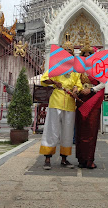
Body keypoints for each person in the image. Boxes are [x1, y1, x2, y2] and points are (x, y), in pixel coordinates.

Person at [39, 36, 83, 170]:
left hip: (70, 103)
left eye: (70, 54)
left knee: (68, 131)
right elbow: (44, 79)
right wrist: (54, 82)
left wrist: (76, 89)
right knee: (52, 130)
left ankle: (64, 158)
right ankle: (47, 158)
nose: (68, 56)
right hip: (56, 101)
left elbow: (78, 84)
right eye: (66, 53)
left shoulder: (75, 71)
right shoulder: (56, 67)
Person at [76, 40, 105, 169]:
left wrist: (92, 90)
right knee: (81, 129)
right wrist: (77, 89)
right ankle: (81, 159)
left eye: (90, 54)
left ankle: (89, 159)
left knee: (91, 129)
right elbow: (74, 82)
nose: (87, 56)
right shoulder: (78, 69)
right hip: (81, 99)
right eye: (84, 54)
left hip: (93, 98)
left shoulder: (98, 68)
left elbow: (103, 83)